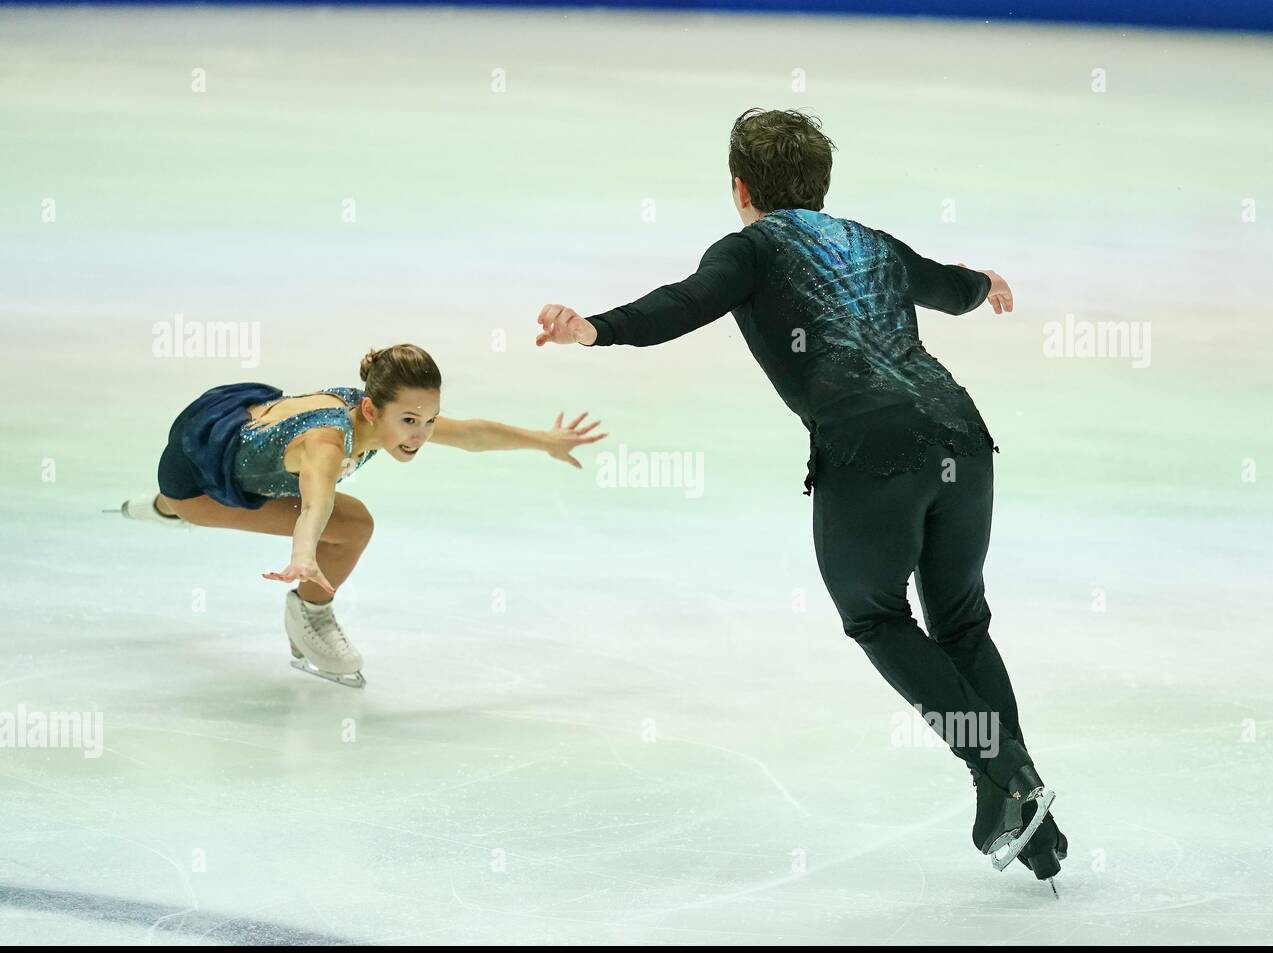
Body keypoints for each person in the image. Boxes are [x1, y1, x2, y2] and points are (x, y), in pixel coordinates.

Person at [533, 108, 1066, 886]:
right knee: (960, 622)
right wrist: (986, 284)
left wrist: (593, 329)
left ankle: (1005, 773)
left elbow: (683, 303)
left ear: (740, 186)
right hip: (960, 433)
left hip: (870, 450)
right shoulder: (871, 241)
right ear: (821, 185)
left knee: (878, 615)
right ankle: (1023, 815)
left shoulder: (750, 248)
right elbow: (950, 290)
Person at [119, 343, 606, 688]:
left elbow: (471, 435)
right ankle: (306, 612)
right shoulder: (327, 443)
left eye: (429, 419)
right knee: (351, 526)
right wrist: (304, 555)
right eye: (411, 422)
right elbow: (315, 503)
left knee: (350, 523)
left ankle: (160, 510)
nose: (420, 434)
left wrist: (545, 442)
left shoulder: (389, 417)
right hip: (201, 478)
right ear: (371, 409)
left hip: (235, 435)